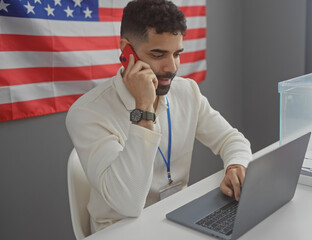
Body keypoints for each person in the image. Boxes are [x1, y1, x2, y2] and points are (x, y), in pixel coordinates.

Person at [66, 0, 252, 233]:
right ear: (127, 50)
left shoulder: (187, 92)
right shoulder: (87, 113)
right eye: (158, 54)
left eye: (177, 53)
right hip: (120, 229)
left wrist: (236, 166)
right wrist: (143, 108)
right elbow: (127, 204)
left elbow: (231, 139)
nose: (171, 67)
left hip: (176, 217)